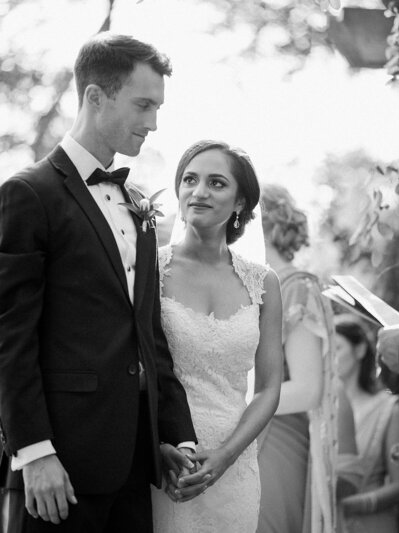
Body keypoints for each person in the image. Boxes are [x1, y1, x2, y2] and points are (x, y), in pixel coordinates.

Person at [0, 32, 197, 533]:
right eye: (143, 104)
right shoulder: (28, 194)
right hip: (60, 469)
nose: (153, 123)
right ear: (95, 96)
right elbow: (10, 338)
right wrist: (34, 452)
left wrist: (174, 434)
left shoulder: (135, 201)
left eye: (157, 107)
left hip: (136, 462)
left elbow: (147, 329)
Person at [151, 140, 283, 533]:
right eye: (190, 179)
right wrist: (159, 445)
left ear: (241, 202)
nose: (199, 191)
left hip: (235, 463)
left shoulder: (263, 283)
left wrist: (226, 456)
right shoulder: (149, 269)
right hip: (166, 460)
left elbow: (269, 387)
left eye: (217, 183)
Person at [257, 184, 337, 533]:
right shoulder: (250, 283)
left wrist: (235, 404)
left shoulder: (297, 286)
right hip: (248, 435)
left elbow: (307, 389)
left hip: (277, 440)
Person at [335, 315, 399, 533]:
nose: (329, 358)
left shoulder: (389, 408)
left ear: (360, 349)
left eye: (336, 348)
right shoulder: (318, 411)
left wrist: (355, 505)